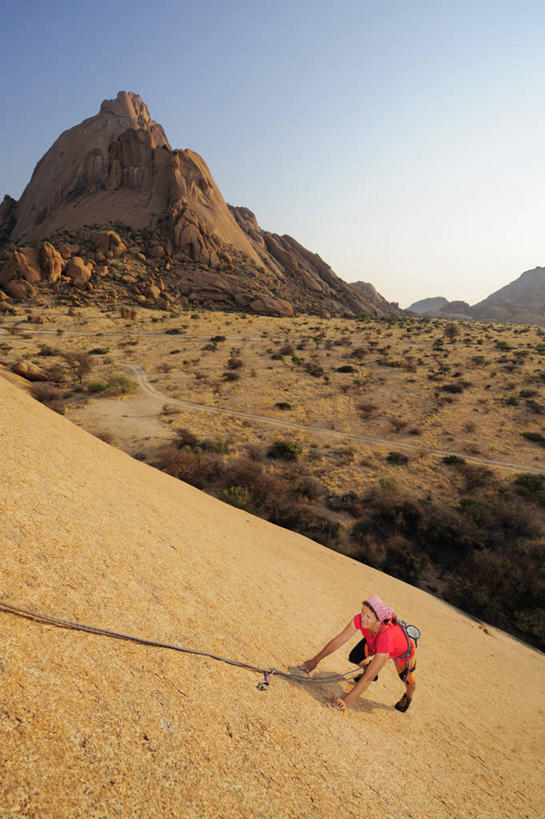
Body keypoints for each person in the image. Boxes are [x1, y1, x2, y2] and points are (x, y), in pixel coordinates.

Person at [301, 595, 416, 712]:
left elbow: (369, 677)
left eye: (368, 617)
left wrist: (346, 701)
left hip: (403, 653)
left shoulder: (386, 638)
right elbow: (340, 639)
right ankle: (367, 666)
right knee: (355, 657)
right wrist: (315, 660)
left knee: (408, 681)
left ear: (379, 621)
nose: (362, 619)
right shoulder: (363, 621)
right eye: (362, 612)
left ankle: (408, 695)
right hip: (375, 640)